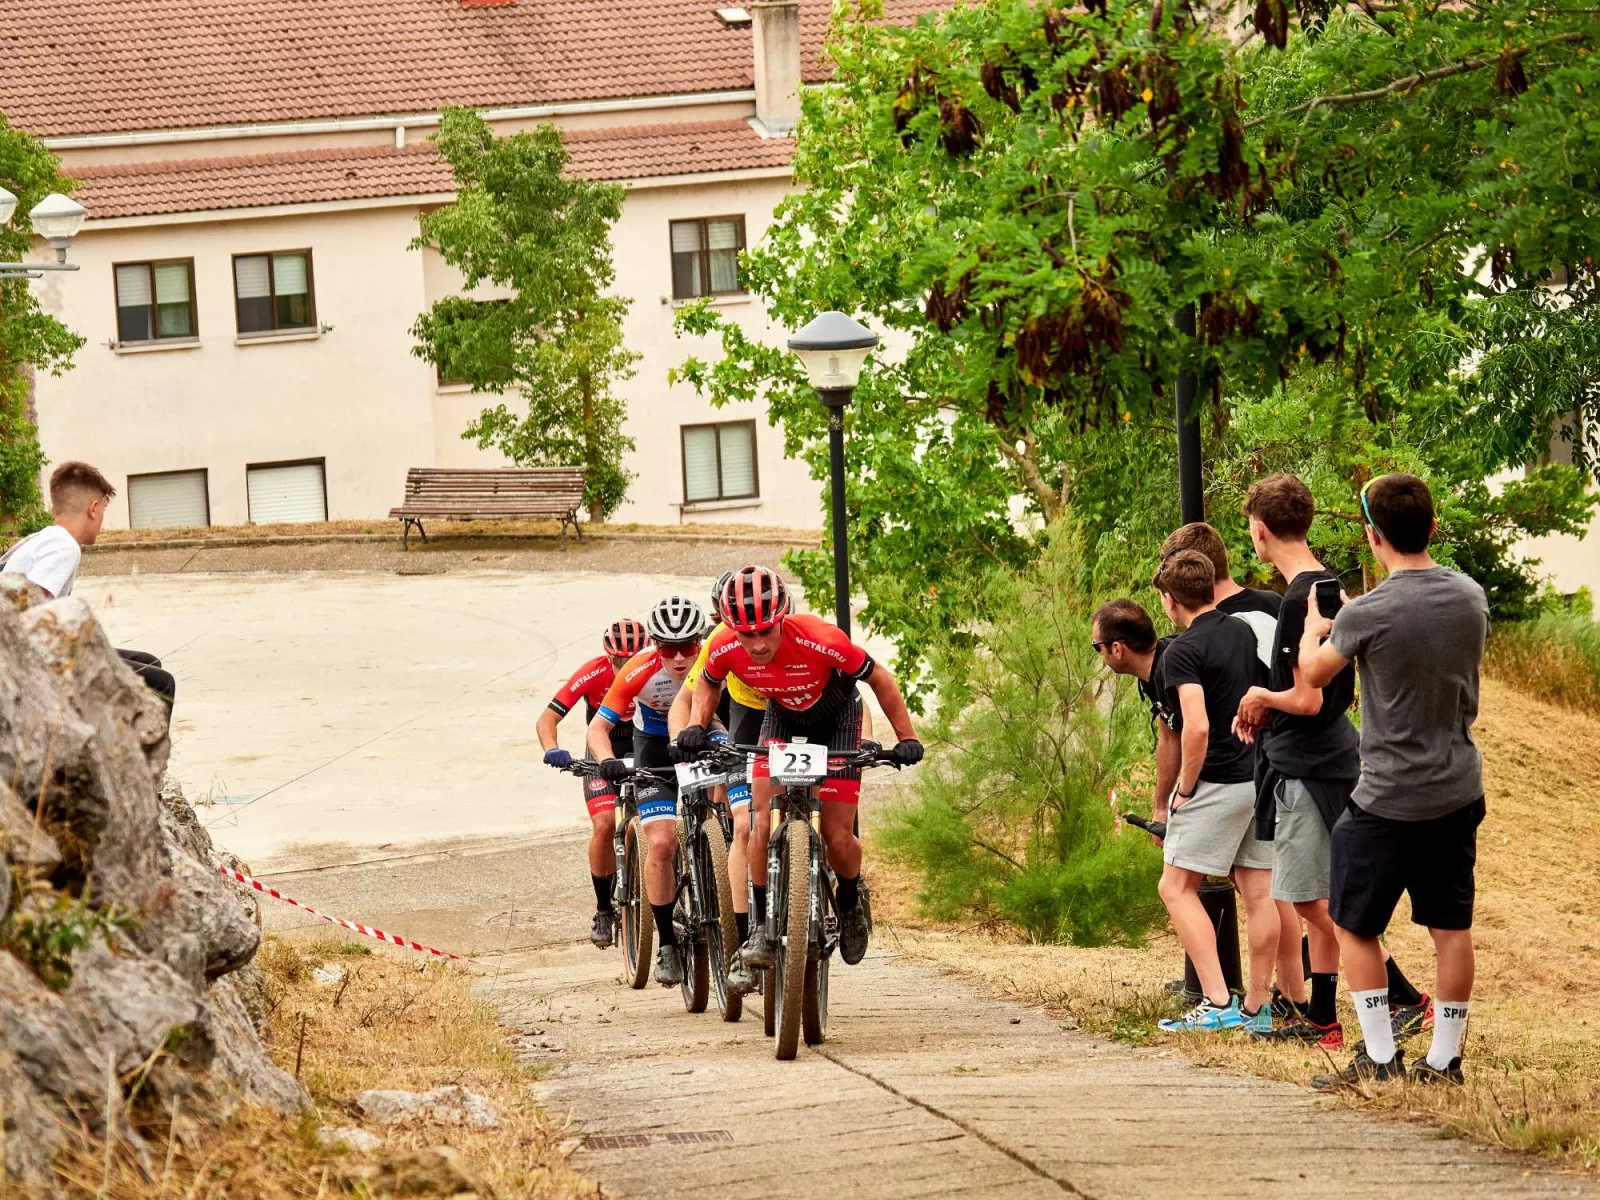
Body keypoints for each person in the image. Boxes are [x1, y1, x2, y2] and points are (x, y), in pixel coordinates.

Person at [1298, 473, 1488, 1089]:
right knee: (1450, 929)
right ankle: (1444, 1061)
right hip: (1456, 788)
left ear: (1372, 536)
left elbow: (1315, 675)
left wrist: (1317, 627)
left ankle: (1380, 1059)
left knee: (1354, 924)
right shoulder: (1470, 597)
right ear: (1433, 527)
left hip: (1384, 798)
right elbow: (1425, 642)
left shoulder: (1369, 614)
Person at [1233, 474, 1434, 1050]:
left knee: (1305, 898)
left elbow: (1310, 697)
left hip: (1309, 764)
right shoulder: (1330, 585)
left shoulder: (1300, 597)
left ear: (1261, 530)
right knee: (1317, 888)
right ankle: (1323, 1019)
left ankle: (1403, 996)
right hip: (1332, 754)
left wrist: (1259, 698)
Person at [675, 566, 922, 970]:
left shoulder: (820, 638)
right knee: (758, 823)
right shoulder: (722, 646)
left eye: (765, 631)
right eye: (745, 633)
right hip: (783, 718)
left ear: (782, 617)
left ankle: (849, 898)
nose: (755, 644)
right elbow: (708, 683)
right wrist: (695, 727)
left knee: (837, 836)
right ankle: (759, 928)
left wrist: (906, 736)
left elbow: (879, 678)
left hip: (837, 720)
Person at [1146, 550, 1278, 1033]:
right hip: (1256, 777)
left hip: (1217, 781)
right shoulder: (1242, 630)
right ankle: (1259, 1007)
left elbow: (1195, 728)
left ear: (1168, 599)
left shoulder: (1180, 650)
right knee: (1260, 893)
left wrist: (1184, 790)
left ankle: (1219, 1002)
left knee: (1175, 887)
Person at [586, 595, 711, 987]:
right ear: (654, 646)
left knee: (736, 815)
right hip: (653, 746)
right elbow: (597, 729)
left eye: (687, 647)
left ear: (700, 642)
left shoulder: (714, 659)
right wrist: (606, 759)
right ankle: (668, 943)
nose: (678, 658)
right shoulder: (638, 669)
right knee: (660, 843)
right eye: (668, 649)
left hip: (704, 735)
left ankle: (720, 871)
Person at [1, 461, 176, 710]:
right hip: (27, 661)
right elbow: (27, 610)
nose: (102, 521)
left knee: (148, 664)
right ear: (93, 509)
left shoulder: (39, 539)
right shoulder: (64, 547)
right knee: (160, 684)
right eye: (103, 512)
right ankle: (134, 749)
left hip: (24, 652)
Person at [668, 571, 768, 995]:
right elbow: (688, 701)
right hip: (728, 732)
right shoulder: (718, 643)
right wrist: (684, 740)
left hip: (772, 729)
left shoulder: (779, 637)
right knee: (742, 822)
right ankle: (741, 936)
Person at [536, 617, 649, 950]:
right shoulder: (594, 671)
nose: (624, 666)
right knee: (603, 825)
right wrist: (552, 749)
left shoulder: (656, 669)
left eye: (632, 659)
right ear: (608, 655)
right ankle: (603, 909)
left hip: (643, 745)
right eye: (618, 660)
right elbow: (547, 719)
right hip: (603, 750)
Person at [1091, 600, 1179, 829]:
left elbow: (1200, 732)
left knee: (1180, 860)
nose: (1099, 654)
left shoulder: (1176, 667)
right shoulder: (1153, 674)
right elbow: (1169, 737)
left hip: (1236, 776)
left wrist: (1185, 795)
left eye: (1096, 647)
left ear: (1117, 649)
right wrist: (1161, 807)